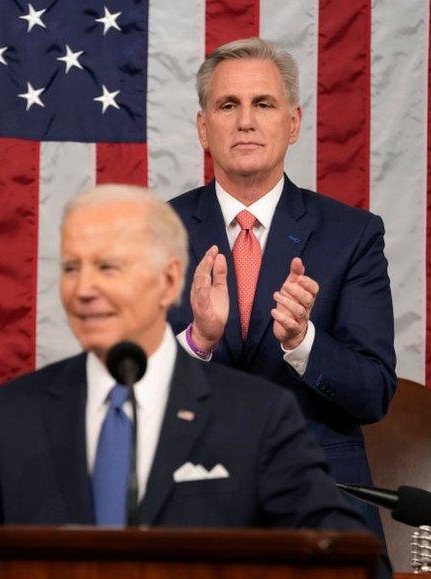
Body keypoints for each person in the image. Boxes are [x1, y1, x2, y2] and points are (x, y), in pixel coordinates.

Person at [0, 184, 389, 579]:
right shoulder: (11, 415)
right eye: (73, 268)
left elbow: (364, 571)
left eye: (110, 267)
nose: (86, 289)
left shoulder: (257, 416)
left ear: (168, 282)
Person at [167, 38, 397, 536]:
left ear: (292, 124)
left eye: (263, 104)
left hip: (321, 513)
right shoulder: (152, 232)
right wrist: (198, 342)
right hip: (190, 513)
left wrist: (303, 343)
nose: (246, 120)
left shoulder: (352, 235)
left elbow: (373, 394)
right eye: (228, 105)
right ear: (204, 128)